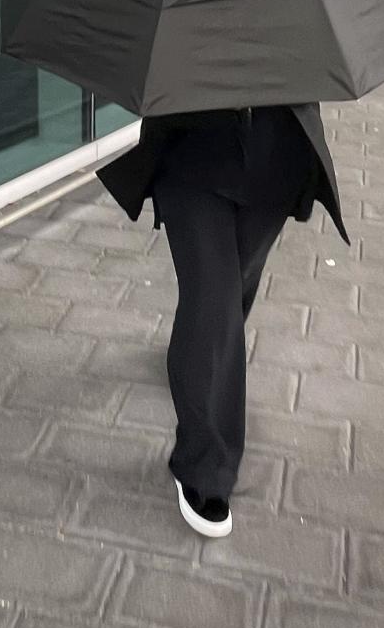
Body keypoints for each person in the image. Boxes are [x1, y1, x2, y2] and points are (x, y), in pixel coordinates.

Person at [97, 101, 348, 538]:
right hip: (193, 150)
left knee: (232, 289)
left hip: (277, 154)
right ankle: (205, 466)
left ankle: (198, 359)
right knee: (212, 300)